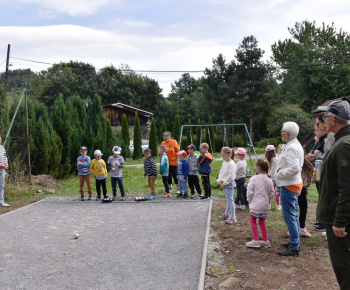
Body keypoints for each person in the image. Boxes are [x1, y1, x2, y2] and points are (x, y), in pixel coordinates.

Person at [317, 100, 350, 289]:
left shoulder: (343, 145)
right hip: (337, 215)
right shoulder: (341, 142)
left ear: (334, 119)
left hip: (338, 218)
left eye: (325, 117)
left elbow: (346, 187)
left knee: (343, 265)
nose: (323, 120)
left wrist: (340, 220)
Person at [276, 121, 304, 256]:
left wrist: (279, 174)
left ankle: (294, 246)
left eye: (282, 132)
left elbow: (294, 168)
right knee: (293, 215)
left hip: (289, 185)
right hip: (291, 184)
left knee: (289, 216)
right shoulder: (293, 145)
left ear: (287, 134)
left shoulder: (292, 147)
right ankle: (295, 240)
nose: (281, 134)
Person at [307, 112, 335, 232]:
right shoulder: (325, 139)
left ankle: (326, 223)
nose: (316, 127)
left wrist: (317, 155)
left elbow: (328, 157)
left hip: (329, 175)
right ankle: (324, 222)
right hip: (320, 172)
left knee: (329, 198)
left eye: (318, 124)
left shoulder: (331, 137)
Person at [246, 159, 275, 248]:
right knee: (262, 222)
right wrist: (267, 200)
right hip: (264, 206)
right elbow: (272, 192)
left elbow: (250, 192)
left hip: (255, 205)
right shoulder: (269, 180)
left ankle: (256, 240)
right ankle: (265, 240)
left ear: (258, 168)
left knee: (252, 221)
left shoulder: (254, 178)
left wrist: (249, 200)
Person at [218, 147, 237, 224]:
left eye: (224, 155)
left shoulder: (232, 164)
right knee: (228, 200)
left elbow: (231, 176)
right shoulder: (224, 163)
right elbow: (221, 172)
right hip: (224, 183)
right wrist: (219, 180)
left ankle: (233, 216)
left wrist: (224, 183)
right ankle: (226, 214)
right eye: (222, 155)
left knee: (230, 201)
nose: (223, 157)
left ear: (229, 155)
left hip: (228, 184)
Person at [297, 157, 314, 238]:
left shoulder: (295, 162)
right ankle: (301, 227)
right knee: (303, 207)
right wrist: (307, 187)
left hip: (293, 186)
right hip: (301, 187)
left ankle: (294, 227)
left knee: (294, 208)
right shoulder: (306, 165)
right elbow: (310, 178)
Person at [265, 145, 281, 210]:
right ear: (274, 151)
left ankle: (268, 205)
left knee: (269, 192)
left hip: (269, 177)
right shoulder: (277, 159)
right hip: (276, 178)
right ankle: (278, 205)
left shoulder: (267, 160)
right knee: (276, 192)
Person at [0, 135, 9, 207]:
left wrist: (6, 163)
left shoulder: (2, 147)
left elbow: (5, 156)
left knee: (1, 186)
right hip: (1, 167)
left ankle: (1, 202)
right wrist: (2, 166)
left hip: (2, 170)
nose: (0, 140)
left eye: (0, 138)